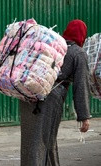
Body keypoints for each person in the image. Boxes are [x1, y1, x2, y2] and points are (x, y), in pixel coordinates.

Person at [19, 19, 90, 166]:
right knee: (45, 139)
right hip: (50, 98)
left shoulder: (51, 45)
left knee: (29, 139)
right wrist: (84, 117)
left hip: (28, 93)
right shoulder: (78, 53)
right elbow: (81, 86)